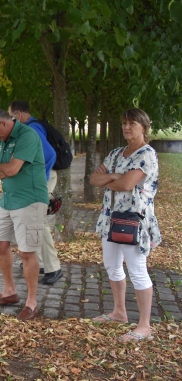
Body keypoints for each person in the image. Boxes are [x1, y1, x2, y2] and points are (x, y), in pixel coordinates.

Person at [90, 108, 160, 342]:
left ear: (144, 126)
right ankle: (119, 312)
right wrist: (117, 177)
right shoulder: (117, 153)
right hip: (110, 217)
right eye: (124, 123)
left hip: (133, 219)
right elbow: (94, 179)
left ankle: (145, 326)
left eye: (132, 123)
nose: (127, 127)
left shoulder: (147, 154)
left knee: (137, 270)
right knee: (112, 265)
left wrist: (111, 177)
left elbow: (128, 184)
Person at [0, 109, 48, 321]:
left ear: (3, 123)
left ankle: (32, 302)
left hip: (30, 199)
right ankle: (9, 291)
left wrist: (4, 167)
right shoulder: (3, 139)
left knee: (27, 252)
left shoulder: (27, 135)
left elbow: (10, 170)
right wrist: (4, 167)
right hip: (8, 198)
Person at [8, 100, 63, 285]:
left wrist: (41, 177)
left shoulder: (32, 130)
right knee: (33, 220)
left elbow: (50, 155)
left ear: (19, 115)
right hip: (36, 180)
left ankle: (53, 267)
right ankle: (38, 262)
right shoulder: (29, 130)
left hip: (41, 180)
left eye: (11, 117)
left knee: (39, 221)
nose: (10, 121)